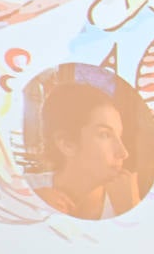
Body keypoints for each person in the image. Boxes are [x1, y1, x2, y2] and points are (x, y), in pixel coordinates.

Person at [33, 81, 139, 219]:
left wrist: (131, 213)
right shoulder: (20, 190)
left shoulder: (129, 203)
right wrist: (25, 206)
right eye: (105, 135)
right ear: (67, 144)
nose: (124, 153)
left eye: (119, 136)